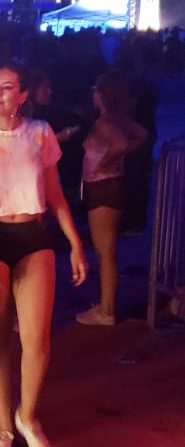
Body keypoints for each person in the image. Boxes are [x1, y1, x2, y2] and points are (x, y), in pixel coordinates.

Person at [0, 64, 87, 447]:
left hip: (34, 236)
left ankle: (27, 416)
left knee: (36, 337)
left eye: (7, 87)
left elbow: (55, 193)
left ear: (23, 95)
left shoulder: (40, 133)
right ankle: (3, 425)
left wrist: (75, 243)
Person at [76, 70, 147, 327]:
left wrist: (105, 162)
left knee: (105, 252)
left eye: (95, 90)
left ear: (104, 95)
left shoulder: (105, 123)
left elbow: (119, 144)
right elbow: (141, 135)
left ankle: (106, 310)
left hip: (103, 188)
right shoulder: (119, 120)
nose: (92, 94)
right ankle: (105, 305)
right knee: (107, 250)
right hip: (111, 186)